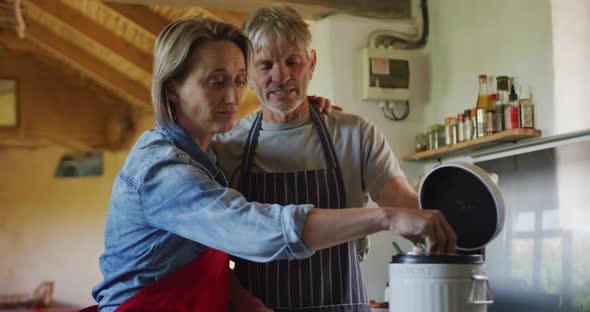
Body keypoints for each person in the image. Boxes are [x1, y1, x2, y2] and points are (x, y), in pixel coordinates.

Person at [91, 16, 455, 312]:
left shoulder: (203, 155)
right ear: (173, 89)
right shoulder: (173, 166)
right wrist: (384, 216)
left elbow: (205, 251)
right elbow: (248, 228)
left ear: (310, 63)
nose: (233, 97)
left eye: (236, 81)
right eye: (218, 82)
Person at [211, 4, 455, 312]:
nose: (281, 76)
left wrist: (457, 211)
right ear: (247, 73)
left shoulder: (356, 135)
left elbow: (404, 207)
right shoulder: (227, 147)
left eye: (292, 61)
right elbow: (211, 254)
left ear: (311, 63)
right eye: (265, 65)